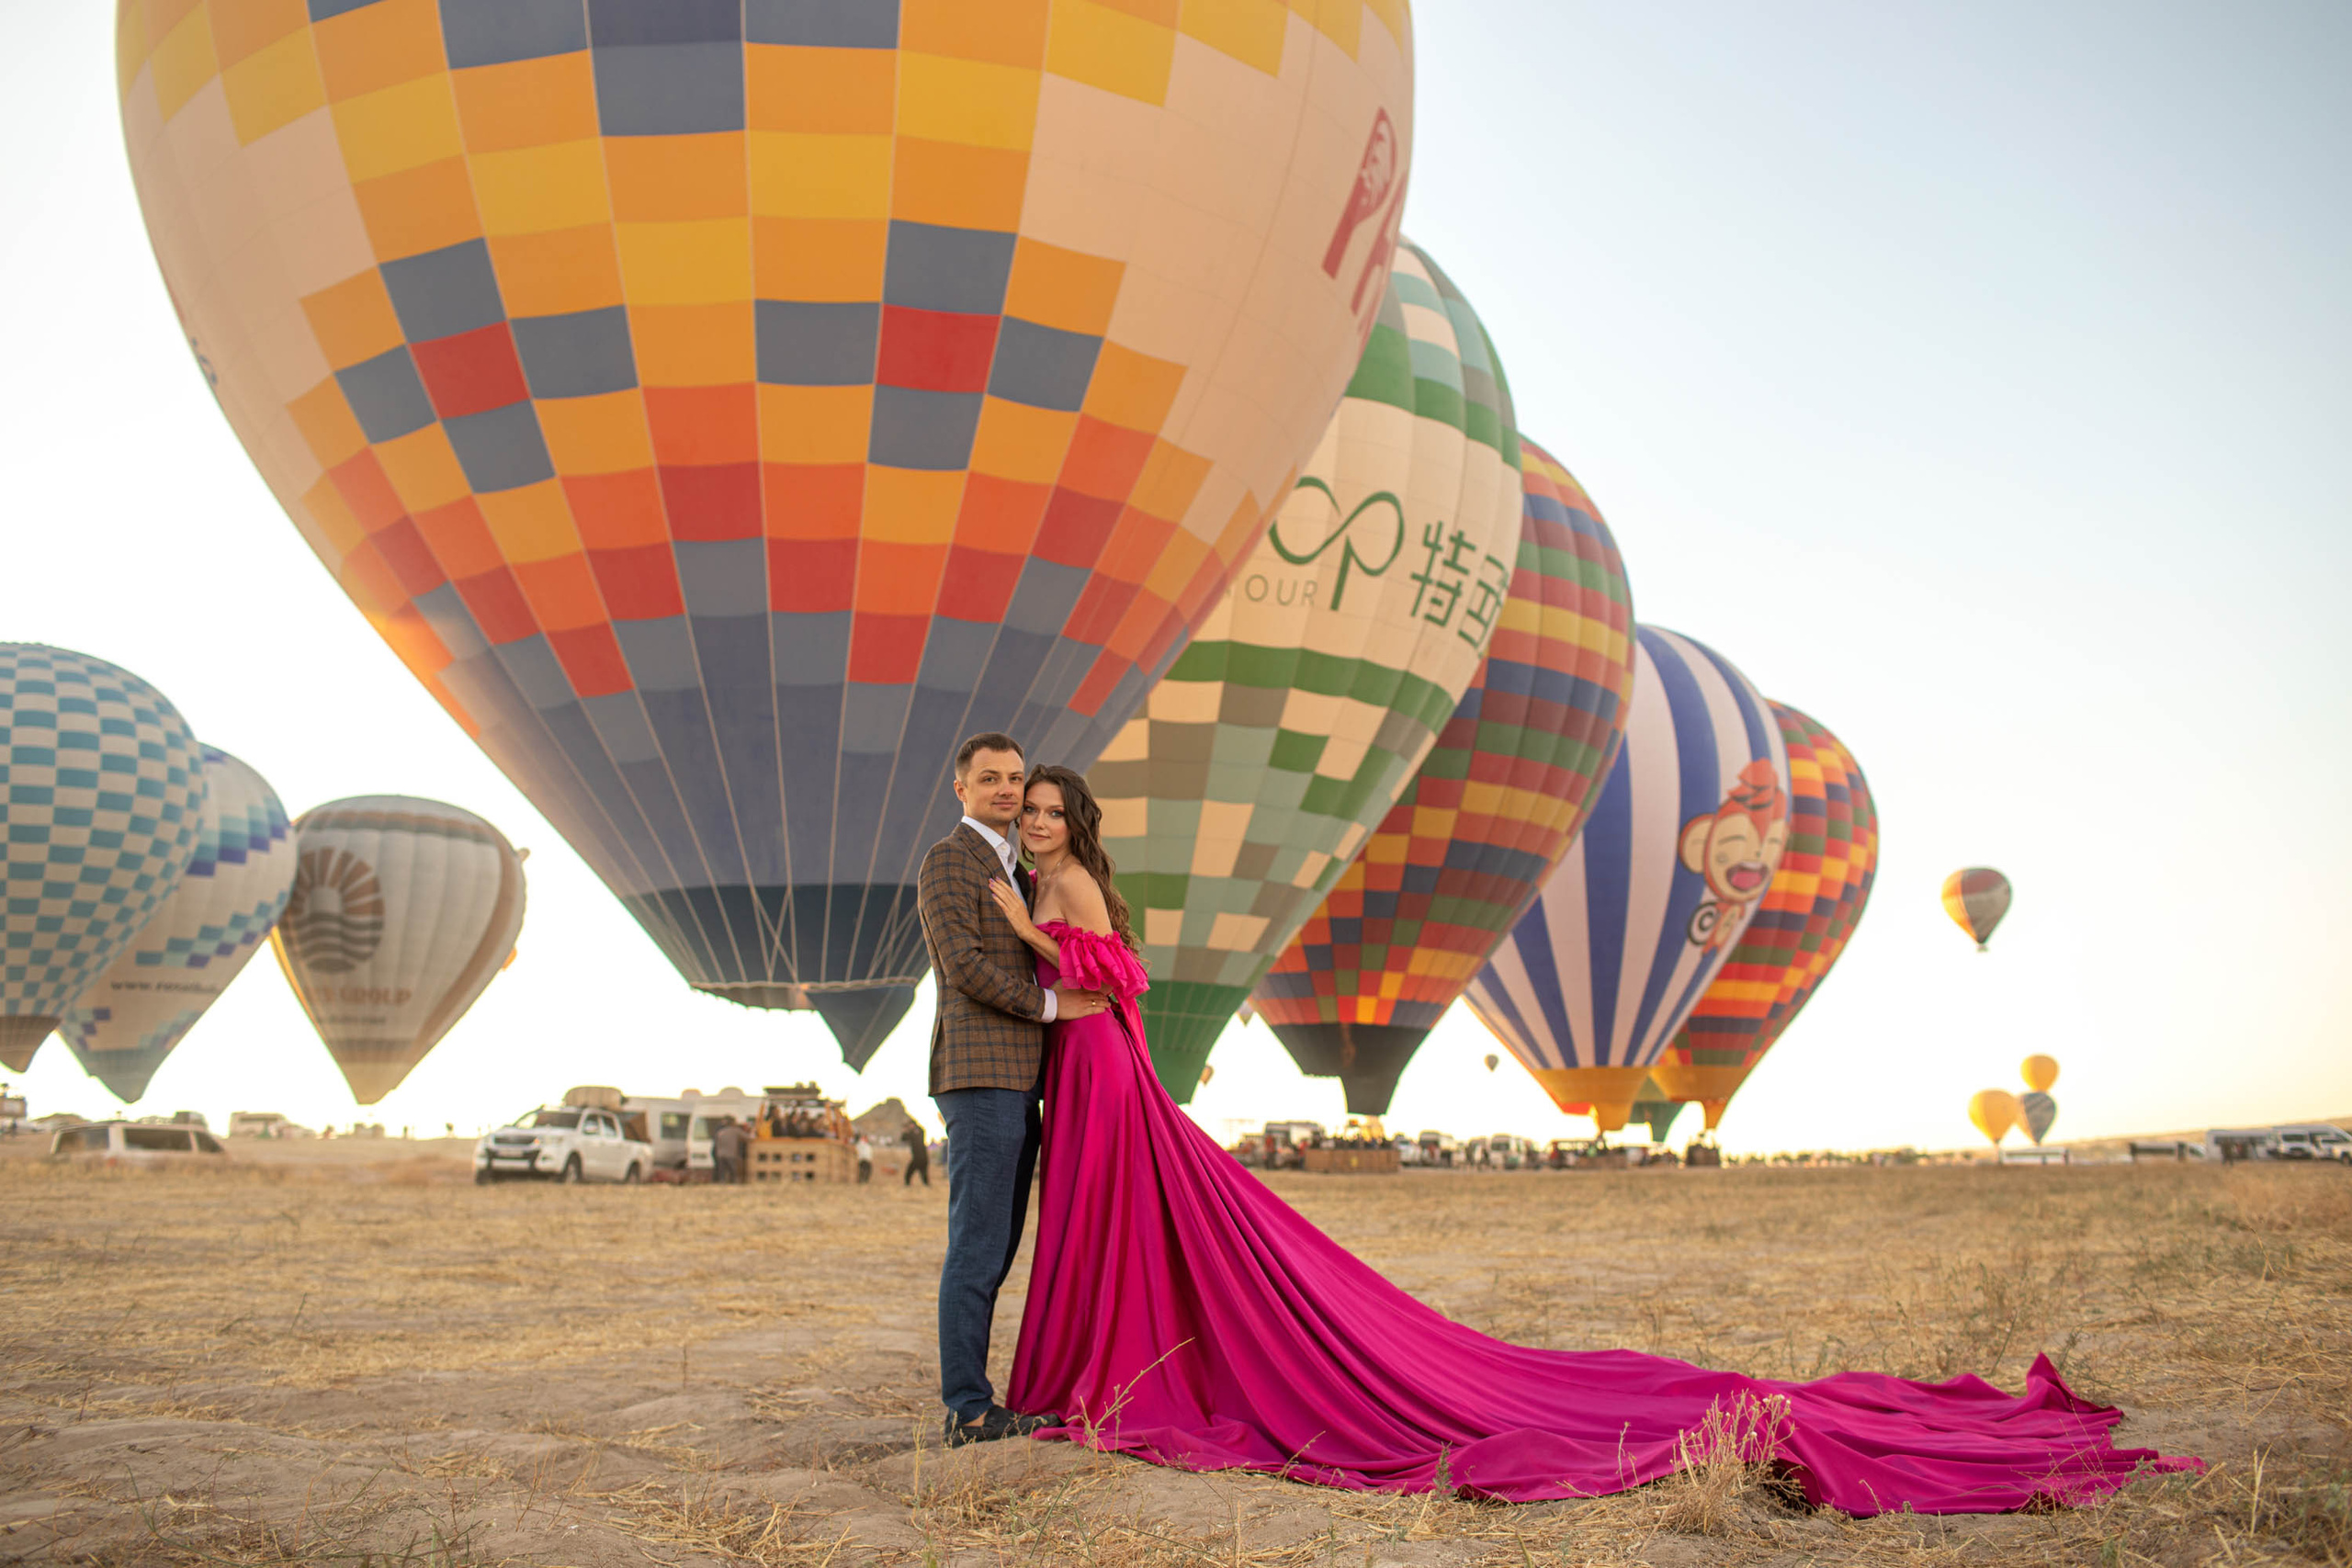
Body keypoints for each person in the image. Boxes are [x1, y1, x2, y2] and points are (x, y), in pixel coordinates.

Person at [981, 764, 2197, 1514]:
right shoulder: (1044, 878)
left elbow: (1117, 970)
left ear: (1072, 818)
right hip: (1088, 1071)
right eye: (1024, 810)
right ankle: (1090, 1366)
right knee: (1112, 1220)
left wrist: (1030, 941)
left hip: (1105, 1065)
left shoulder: (1068, 885)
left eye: (1047, 809)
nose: (1035, 825)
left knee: (1130, 1218)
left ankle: (1094, 1373)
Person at [919, 732, 1111, 1449]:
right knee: (976, 1247)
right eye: (991, 779)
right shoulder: (949, 860)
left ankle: (980, 1399)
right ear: (961, 788)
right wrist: (1056, 1009)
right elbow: (964, 966)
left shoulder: (1022, 871)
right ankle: (968, 1409)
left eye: (1016, 779)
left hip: (1024, 1080)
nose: (1007, 791)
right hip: (980, 1076)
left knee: (996, 1248)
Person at [711, 1116, 745, 1186]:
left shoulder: (720, 1132)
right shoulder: (736, 1130)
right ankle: (734, 1183)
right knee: (733, 1170)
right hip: (731, 1154)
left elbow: (716, 1142)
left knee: (722, 1171)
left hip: (720, 1154)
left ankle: (722, 1182)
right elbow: (747, 1137)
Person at [902, 1122, 930, 1187]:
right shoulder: (912, 1133)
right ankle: (908, 1184)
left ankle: (926, 1185)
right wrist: (905, 1131)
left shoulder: (918, 1132)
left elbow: (921, 1131)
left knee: (922, 1173)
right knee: (912, 1173)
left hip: (921, 1158)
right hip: (918, 1158)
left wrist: (907, 1131)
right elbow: (903, 1138)